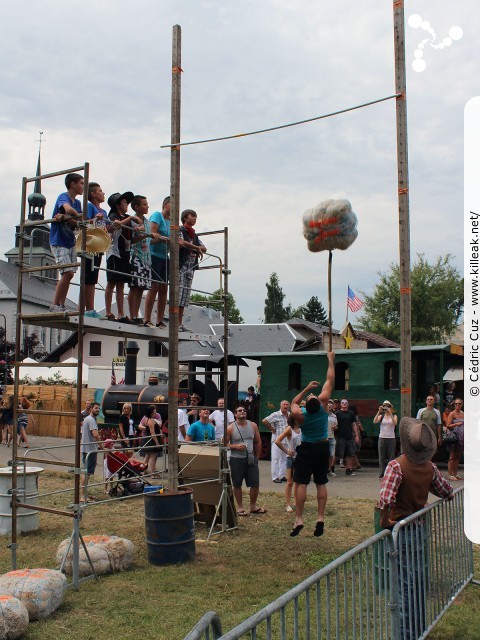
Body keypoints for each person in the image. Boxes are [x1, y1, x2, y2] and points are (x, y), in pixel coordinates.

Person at [378, 417, 453, 640]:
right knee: (418, 580)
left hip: (401, 529)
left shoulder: (396, 466)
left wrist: (384, 521)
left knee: (405, 584)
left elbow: (386, 499)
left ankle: (407, 633)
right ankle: (419, 627)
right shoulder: (430, 467)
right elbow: (446, 491)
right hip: (419, 528)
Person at [288, 351, 335, 537]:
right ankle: (320, 517)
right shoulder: (324, 410)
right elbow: (329, 380)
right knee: (321, 483)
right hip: (323, 447)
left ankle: (299, 518)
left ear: (306, 405)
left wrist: (306, 389)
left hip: (306, 448)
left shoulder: (300, 416)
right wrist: (331, 360)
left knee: (301, 483)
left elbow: (293, 401)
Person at [49, 173, 84, 312]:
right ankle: (55, 305)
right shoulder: (63, 196)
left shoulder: (78, 203)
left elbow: (77, 223)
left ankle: (61, 305)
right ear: (72, 184)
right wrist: (72, 215)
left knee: (69, 274)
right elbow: (69, 209)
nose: (83, 186)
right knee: (67, 273)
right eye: (81, 183)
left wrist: (66, 217)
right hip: (59, 240)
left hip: (70, 241)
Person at [226, 405, 266, 516]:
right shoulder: (230, 428)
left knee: (255, 483)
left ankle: (253, 506)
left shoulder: (253, 426)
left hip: (250, 459)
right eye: (239, 410)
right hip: (236, 459)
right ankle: (240, 507)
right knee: (237, 483)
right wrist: (235, 446)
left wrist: (256, 457)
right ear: (235, 414)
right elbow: (224, 444)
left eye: (244, 410)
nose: (242, 412)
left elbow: (258, 442)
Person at [104, 191, 137, 322]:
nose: (127, 204)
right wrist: (130, 219)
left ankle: (121, 314)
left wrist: (137, 229)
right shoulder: (113, 215)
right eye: (124, 202)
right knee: (112, 282)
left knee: (121, 283)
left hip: (125, 252)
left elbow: (134, 227)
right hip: (114, 252)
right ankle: (108, 311)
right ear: (118, 205)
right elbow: (114, 226)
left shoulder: (126, 217)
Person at [128, 196, 160, 324]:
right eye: (145, 204)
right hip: (136, 256)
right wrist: (146, 235)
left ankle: (136, 315)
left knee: (141, 287)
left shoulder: (146, 222)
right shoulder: (133, 220)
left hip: (146, 258)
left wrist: (159, 238)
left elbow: (148, 240)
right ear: (137, 207)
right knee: (134, 286)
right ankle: (132, 315)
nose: (147, 206)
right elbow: (131, 240)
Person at [144, 196, 171, 328]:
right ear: (166, 204)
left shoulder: (172, 222)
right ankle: (147, 318)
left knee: (164, 288)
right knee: (154, 287)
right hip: (154, 254)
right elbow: (151, 237)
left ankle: (160, 320)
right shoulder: (157, 216)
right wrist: (162, 238)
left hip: (165, 256)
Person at [84, 182, 109, 318]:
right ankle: (87, 308)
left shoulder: (104, 211)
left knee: (93, 277)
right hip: (90, 246)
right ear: (93, 194)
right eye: (100, 191)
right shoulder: (89, 207)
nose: (103, 193)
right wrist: (94, 219)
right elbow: (84, 223)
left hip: (99, 247)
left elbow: (106, 227)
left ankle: (91, 309)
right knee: (88, 276)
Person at [179, 209, 207, 329]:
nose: (195, 219)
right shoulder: (180, 230)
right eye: (192, 216)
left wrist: (197, 247)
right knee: (178, 296)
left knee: (184, 298)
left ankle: (180, 323)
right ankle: (175, 323)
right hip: (181, 266)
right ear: (185, 218)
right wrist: (197, 248)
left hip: (190, 269)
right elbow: (181, 242)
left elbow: (204, 247)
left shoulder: (194, 235)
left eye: (196, 217)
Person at [275, 414, 302, 512]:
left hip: (300, 458)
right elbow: (277, 441)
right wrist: (286, 451)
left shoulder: (302, 429)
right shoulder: (289, 429)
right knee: (290, 482)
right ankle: (288, 504)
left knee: (298, 481)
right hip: (291, 458)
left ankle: (296, 501)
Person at [262, 400, 290, 483]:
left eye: (287, 405)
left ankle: (282, 476)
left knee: (284, 459)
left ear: (289, 406)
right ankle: (275, 477)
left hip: (286, 440)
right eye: (284, 404)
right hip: (277, 439)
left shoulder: (290, 415)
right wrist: (271, 429)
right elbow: (264, 420)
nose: (285, 406)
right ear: (281, 406)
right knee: (275, 459)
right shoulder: (276, 414)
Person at [80, 402, 102, 502]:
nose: (98, 410)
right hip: (89, 450)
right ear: (91, 409)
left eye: (99, 408)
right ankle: (83, 496)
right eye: (96, 408)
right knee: (86, 473)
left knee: (86, 473)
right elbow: (95, 435)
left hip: (87, 449)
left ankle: (85, 494)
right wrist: (102, 446)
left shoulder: (87, 419)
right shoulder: (91, 420)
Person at [335, 398, 359, 476]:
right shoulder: (337, 413)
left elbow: (354, 424)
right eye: (342, 402)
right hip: (340, 436)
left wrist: (356, 435)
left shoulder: (351, 413)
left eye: (346, 402)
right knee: (338, 454)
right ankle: (330, 468)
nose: (344, 404)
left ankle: (348, 470)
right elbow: (334, 424)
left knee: (349, 454)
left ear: (348, 404)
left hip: (349, 436)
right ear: (340, 404)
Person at [373, 400, 398, 478]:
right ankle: (382, 474)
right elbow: (374, 421)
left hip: (391, 438)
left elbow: (395, 423)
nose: (386, 408)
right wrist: (379, 411)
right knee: (382, 457)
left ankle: (390, 473)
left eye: (388, 406)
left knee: (391, 457)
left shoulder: (394, 416)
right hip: (382, 438)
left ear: (390, 407)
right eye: (385, 406)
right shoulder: (381, 416)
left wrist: (390, 412)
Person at [141, 405, 163, 477]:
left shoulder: (148, 419)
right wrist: (157, 443)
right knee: (153, 457)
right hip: (152, 440)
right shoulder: (151, 420)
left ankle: (143, 471)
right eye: (154, 410)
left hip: (149, 440)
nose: (156, 411)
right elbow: (152, 433)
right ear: (151, 412)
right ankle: (152, 474)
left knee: (147, 456)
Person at [446, 398, 464, 480]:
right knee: (452, 455)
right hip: (454, 437)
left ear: (461, 405)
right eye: (456, 404)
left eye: (459, 404)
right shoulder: (452, 414)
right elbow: (448, 426)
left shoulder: (464, 414)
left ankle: (455, 473)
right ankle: (450, 474)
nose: (457, 405)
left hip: (461, 437)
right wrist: (456, 424)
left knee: (458, 456)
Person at [326, 400, 338, 477]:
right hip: (324, 437)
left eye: (331, 404)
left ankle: (329, 470)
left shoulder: (334, 416)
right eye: (328, 404)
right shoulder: (322, 414)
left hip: (332, 437)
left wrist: (335, 427)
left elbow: (337, 426)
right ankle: (322, 470)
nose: (330, 405)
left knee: (331, 455)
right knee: (324, 455)